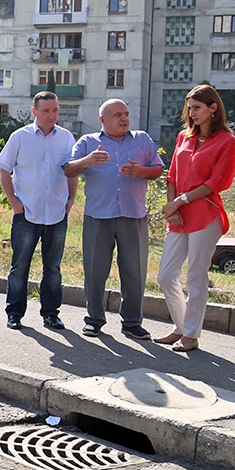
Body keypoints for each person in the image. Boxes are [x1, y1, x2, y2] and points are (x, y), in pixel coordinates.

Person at [63, 98, 165, 339]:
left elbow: (158, 169)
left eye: (126, 114)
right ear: (103, 120)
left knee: (135, 271)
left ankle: (131, 322)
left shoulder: (142, 139)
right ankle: (94, 320)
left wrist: (141, 171)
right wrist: (87, 161)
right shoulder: (88, 142)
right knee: (95, 271)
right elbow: (68, 169)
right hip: (99, 215)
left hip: (134, 214)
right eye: (117, 115)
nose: (124, 119)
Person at [156, 85, 235, 352]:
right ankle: (181, 327)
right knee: (166, 275)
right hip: (179, 213)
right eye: (189, 108)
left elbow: (219, 181)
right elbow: (172, 175)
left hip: (205, 213)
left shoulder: (228, 142)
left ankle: (191, 335)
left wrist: (181, 201)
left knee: (196, 275)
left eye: (197, 108)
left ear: (213, 108)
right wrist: (174, 207)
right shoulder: (184, 137)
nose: (191, 113)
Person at [0, 91, 76, 331]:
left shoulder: (66, 138)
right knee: (20, 266)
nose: (52, 115)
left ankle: (51, 313)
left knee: (53, 267)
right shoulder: (20, 137)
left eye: (55, 110)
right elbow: (3, 169)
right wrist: (13, 201)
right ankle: (14, 313)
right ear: (35, 112)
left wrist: (71, 198)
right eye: (46, 111)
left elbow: (71, 169)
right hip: (26, 213)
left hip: (56, 214)